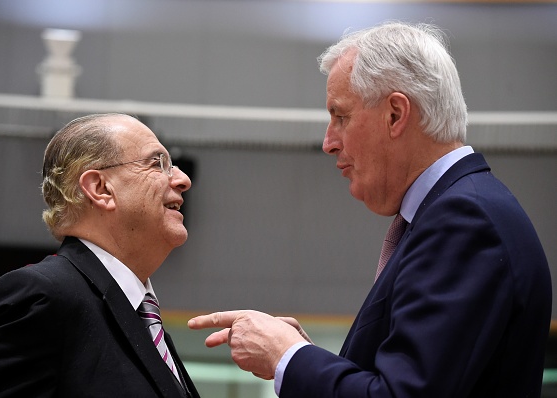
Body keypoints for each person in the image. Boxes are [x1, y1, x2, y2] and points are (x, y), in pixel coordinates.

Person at [188, 22, 552, 397]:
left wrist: (288, 356)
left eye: (340, 116)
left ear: (395, 114)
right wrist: (309, 358)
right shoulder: (459, 210)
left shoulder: (464, 221)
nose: (328, 142)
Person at [0, 113, 200, 398]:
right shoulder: (41, 297)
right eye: (157, 163)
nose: (183, 179)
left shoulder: (145, 321)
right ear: (101, 189)